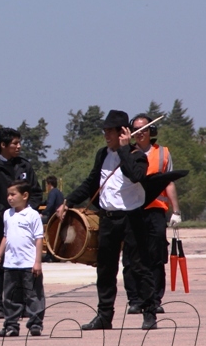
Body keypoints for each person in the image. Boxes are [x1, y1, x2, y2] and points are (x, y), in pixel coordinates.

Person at [56, 109, 158, 331]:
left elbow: (135, 175)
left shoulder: (137, 154)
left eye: (110, 131)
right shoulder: (102, 155)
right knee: (105, 269)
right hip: (109, 218)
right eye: (105, 131)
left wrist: (123, 148)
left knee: (139, 267)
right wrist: (68, 201)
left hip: (132, 218)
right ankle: (104, 316)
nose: (106, 135)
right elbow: (91, 182)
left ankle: (149, 312)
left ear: (123, 132)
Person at [122, 114, 182, 315]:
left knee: (156, 257)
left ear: (151, 132)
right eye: (136, 130)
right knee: (131, 257)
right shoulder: (126, 153)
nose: (140, 134)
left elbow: (169, 182)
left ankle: (155, 299)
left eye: (144, 129)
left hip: (155, 211)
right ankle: (135, 299)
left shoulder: (163, 153)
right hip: (132, 211)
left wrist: (176, 211)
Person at [0, 127, 42, 318]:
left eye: (19, 143)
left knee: (23, 265)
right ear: (3, 145)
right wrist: (4, 212)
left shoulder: (24, 166)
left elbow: (36, 192)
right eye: (15, 143)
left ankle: (23, 304)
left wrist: (27, 210)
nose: (19, 146)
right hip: (0, 223)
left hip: (23, 225)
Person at [0, 180, 44, 337]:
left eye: (13, 194)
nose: (9, 198)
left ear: (25, 195)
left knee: (33, 294)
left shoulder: (32, 214)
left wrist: (37, 262)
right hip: (11, 263)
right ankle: (11, 324)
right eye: (8, 195)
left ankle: (35, 323)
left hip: (28, 263)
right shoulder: (8, 214)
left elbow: (39, 239)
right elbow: (6, 237)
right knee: (10, 296)